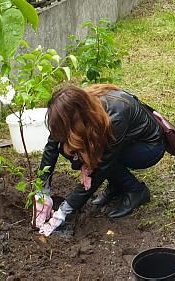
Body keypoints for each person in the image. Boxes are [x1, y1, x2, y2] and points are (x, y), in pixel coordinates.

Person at [32, 84, 166, 236]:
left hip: (148, 147)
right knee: (70, 147)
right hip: (124, 143)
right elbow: (52, 145)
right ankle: (117, 186)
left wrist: (62, 213)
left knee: (104, 160)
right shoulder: (76, 109)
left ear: (78, 117)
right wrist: (42, 191)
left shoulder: (115, 116)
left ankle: (136, 191)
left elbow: (101, 168)